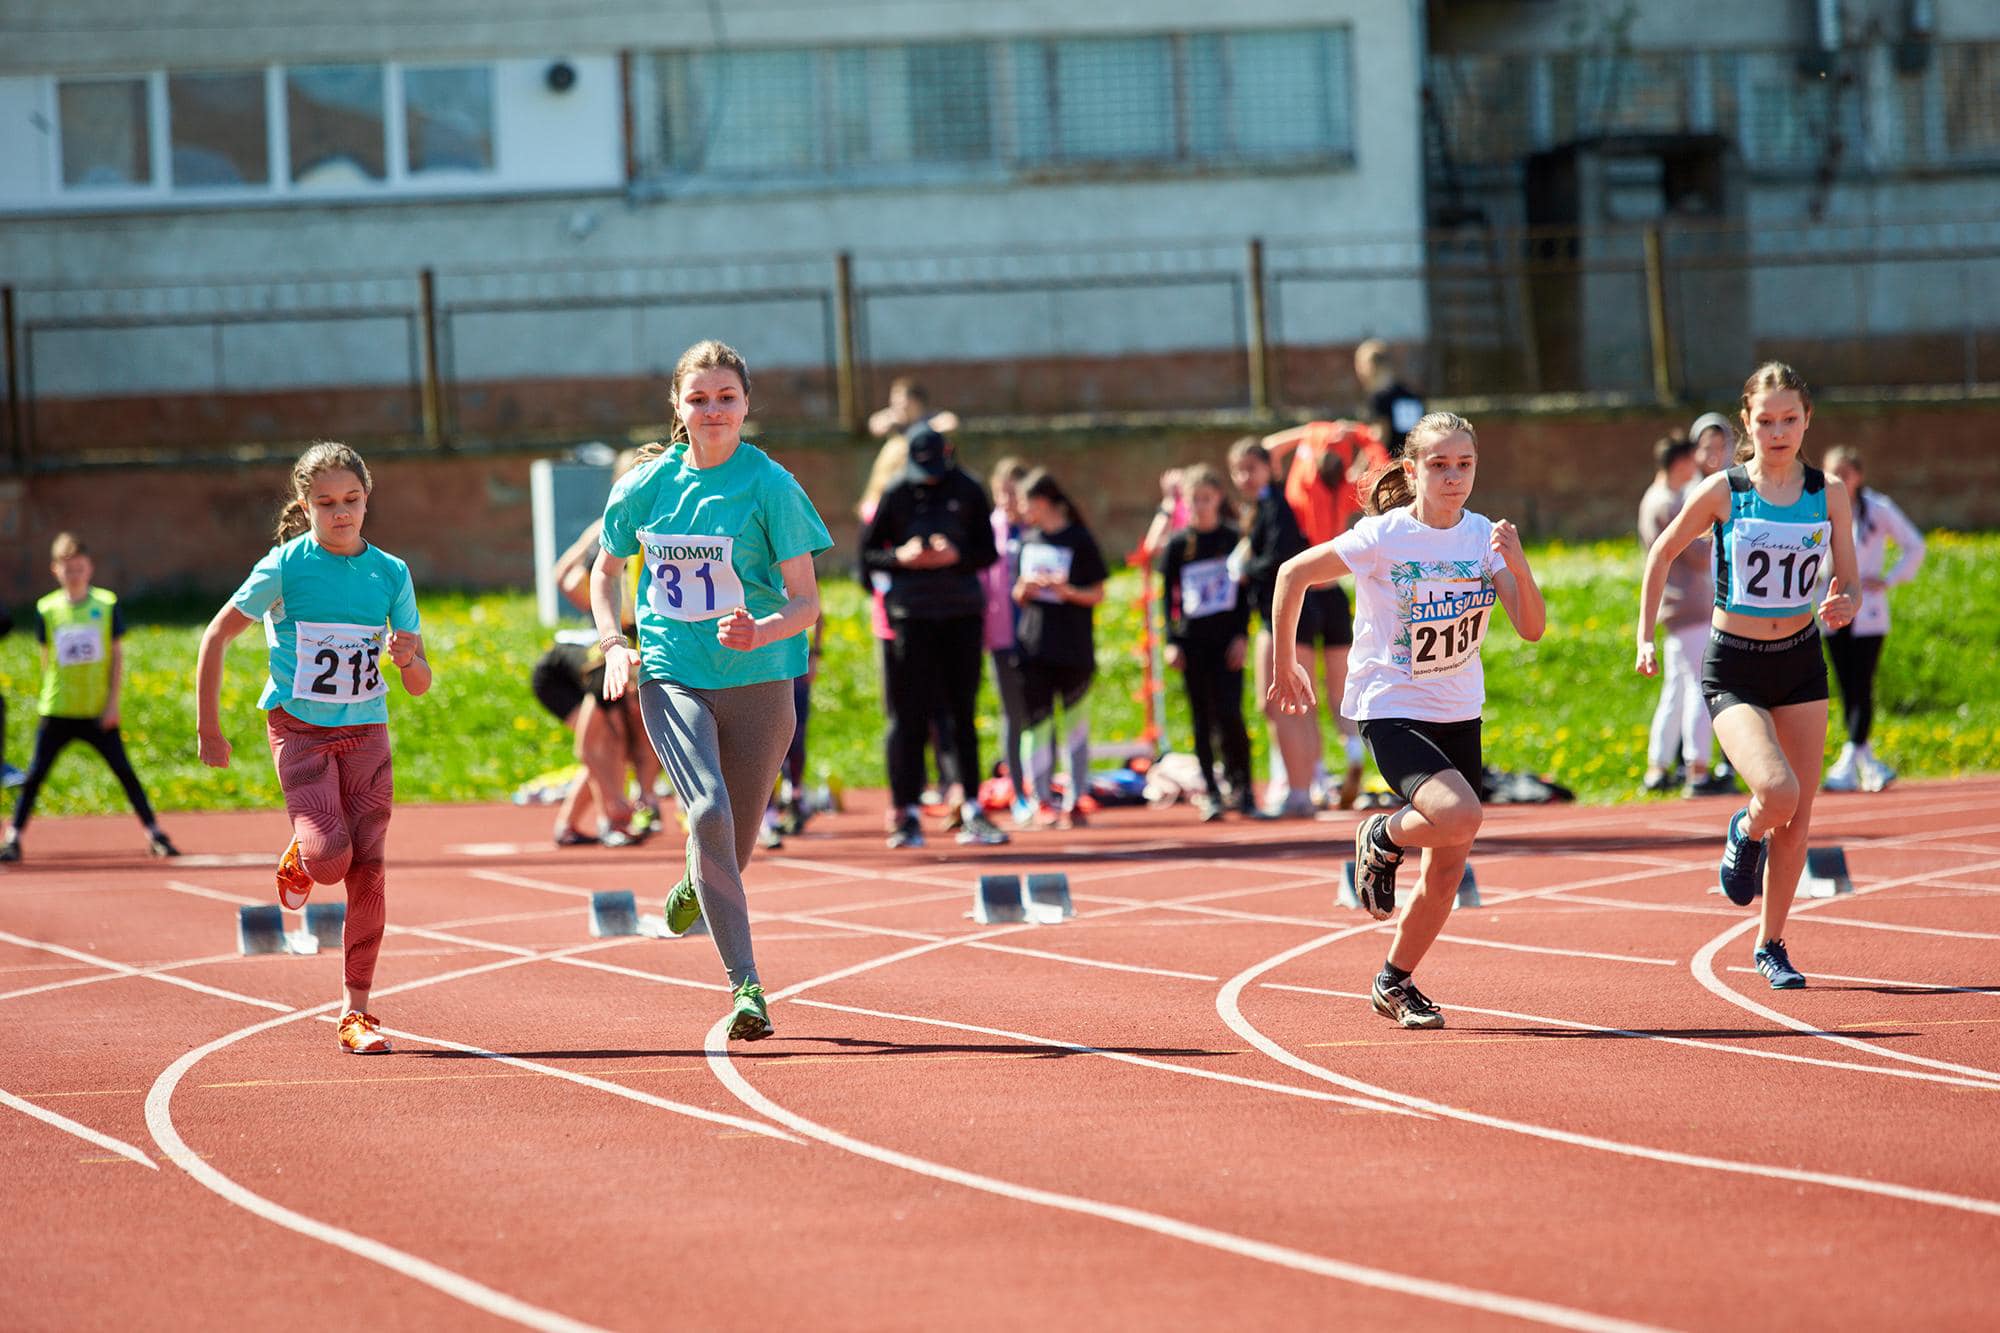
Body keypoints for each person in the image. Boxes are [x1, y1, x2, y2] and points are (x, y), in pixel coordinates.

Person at [1271, 412, 1546, 1030]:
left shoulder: (1483, 538)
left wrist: (1519, 565)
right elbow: (1292, 574)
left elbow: (1531, 628)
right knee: (1461, 815)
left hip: (1459, 710)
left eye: (1465, 464)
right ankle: (1383, 836)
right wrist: (1286, 663)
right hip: (1392, 705)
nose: (1453, 477)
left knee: (1447, 868)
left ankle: (1394, 981)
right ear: (1412, 469)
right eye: (1439, 465)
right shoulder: (1383, 536)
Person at [592, 339, 831, 1043]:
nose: (713, 410)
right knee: (707, 808)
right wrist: (614, 644)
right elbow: (605, 572)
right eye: (698, 398)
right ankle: (747, 987)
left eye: (726, 397)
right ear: (677, 405)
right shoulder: (646, 486)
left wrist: (762, 629)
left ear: (747, 403)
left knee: (734, 840)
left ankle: (697, 880)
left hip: (761, 677)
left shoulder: (771, 486)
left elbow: (807, 602)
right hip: (673, 671)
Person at [194, 444, 431, 1054]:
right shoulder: (284, 566)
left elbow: (419, 681)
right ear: (305, 506)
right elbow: (217, 636)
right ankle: (302, 854)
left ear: (367, 498)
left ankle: (357, 1013)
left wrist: (409, 659)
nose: (340, 512)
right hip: (299, 729)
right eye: (325, 503)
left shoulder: (391, 573)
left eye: (351, 499)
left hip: (366, 731)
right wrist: (208, 729)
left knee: (368, 872)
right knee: (329, 860)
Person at [1638, 362, 1859, 991]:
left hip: (1800, 661)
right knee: (1777, 792)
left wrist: (1846, 603)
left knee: (1799, 819)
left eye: (1790, 419)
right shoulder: (1724, 490)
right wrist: (1644, 634)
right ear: (1747, 422)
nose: (1778, 431)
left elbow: (1849, 579)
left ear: (1807, 420)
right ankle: (1744, 827)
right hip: (1734, 664)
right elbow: (1662, 553)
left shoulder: (1828, 493)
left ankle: (1771, 944)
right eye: (1766, 421)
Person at [857, 421, 1008, 849]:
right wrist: (903, 558)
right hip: (912, 616)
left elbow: (988, 551)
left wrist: (956, 555)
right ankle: (905, 812)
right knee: (908, 716)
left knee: (961, 712)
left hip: (961, 613)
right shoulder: (896, 492)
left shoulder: (969, 489)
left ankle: (971, 806)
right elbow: (867, 558)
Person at [1, 533, 180, 863]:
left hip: (97, 710)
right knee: (35, 775)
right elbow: (46, 658)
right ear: (55, 570)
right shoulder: (47, 609)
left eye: (79, 568)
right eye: (67, 569)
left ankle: (155, 833)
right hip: (58, 708)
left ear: (90, 568)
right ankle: (13, 837)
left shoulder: (106, 605)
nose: (74, 575)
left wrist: (112, 704)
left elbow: (117, 656)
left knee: (124, 772)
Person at [1261, 417, 1389, 811]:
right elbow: (1378, 468)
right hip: (1335, 594)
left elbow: (1267, 449)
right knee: (1340, 693)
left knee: (1304, 693)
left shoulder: (1304, 487)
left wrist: (1313, 431)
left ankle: (1310, 777)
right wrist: (1361, 437)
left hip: (1307, 592)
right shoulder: (1346, 489)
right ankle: (1352, 751)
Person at [1819, 445, 1926, 793]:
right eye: (1832, 472)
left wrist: (1889, 578)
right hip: (1831, 606)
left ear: (1858, 475)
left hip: (1867, 609)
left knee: (1861, 682)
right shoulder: (1817, 507)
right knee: (1846, 686)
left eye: (1845, 473)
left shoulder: (1877, 508)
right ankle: (1866, 764)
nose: (1839, 479)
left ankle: (1850, 760)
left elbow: (1914, 545)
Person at [1156, 464, 1254, 820]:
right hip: (1193, 642)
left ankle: (1243, 787)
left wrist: (1242, 636)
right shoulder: (1178, 545)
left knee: (1230, 714)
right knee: (1201, 717)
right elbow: (1167, 597)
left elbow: (1245, 594)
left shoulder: (1232, 538)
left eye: (1206, 499)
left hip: (1227, 641)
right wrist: (1171, 640)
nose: (1200, 506)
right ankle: (1211, 792)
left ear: (1218, 498)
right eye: (1193, 500)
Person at [1637, 435, 1732, 797]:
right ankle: (1697, 768)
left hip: (1677, 607)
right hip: (1689, 606)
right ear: (1679, 463)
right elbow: (1695, 554)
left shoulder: (1656, 498)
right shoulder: (1666, 502)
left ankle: (1658, 766)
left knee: (1676, 690)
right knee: (1699, 687)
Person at [1013, 468, 1108, 829]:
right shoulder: (1027, 540)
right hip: (1033, 648)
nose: (1023, 511)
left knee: (1075, 726)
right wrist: (1024, 588)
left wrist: (1066, 591)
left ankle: (1076, 797)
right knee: (1036, 726)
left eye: (1025, 503)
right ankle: (1040, 799)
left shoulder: (1079, 539)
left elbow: (1097, 593)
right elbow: (1017, 594)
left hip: (1072, 647)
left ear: (1041, 502)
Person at [1229, 438, 1315, 819]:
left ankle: (1299, 791)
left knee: (1283, 704)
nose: (1244, 477)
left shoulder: (1276, 505)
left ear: (1269, 468)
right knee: (1290, 705)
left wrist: (1242, 570)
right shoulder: (1262, 506)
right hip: (1282, 613)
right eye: (1238, 470)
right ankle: (1304, 787)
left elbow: (1282, 560)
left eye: (1252, 468)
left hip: (1285, 615)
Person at [983, 456, 1035, 824]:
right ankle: (1019, 792)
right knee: (1012, 715)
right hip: (1002, 638)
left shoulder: (1037, 529)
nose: (1007, 502)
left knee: (1041, 715)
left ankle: (1044, 786)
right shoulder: (989, 530)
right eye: (1001, 494)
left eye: (1013, 494)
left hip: (1037, 637)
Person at [1354, 339, 1426, 459]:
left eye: (1359, 365)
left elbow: (1379, 438)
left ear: (1369, 366)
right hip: (1415, 462)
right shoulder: (1412, 395)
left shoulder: (1379, 399)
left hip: (1391, 465)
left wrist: (1359, 466)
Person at [867, 376, 959, 440]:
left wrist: (923, 429)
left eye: (899, 401)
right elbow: (875, 426)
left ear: (915, 401)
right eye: (893, 400)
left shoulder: (929, 416)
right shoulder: (893, 418)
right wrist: (891, 422)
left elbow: (951, 422)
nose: (895, 405)